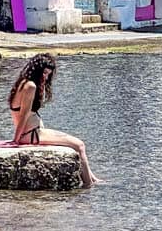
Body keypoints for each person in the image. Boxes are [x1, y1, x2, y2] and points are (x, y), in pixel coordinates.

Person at [8, 53, 101, 188]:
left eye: (48, 74)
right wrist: (16, 140)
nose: (45, 77)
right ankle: (88, 186)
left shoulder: (23, 82)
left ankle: (93, 178)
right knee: (79, 145)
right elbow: (23, 116)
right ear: (37, 70)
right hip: (31, 134)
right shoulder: (30, 86)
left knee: (78, 145)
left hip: (33, 132)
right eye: (44, 73)